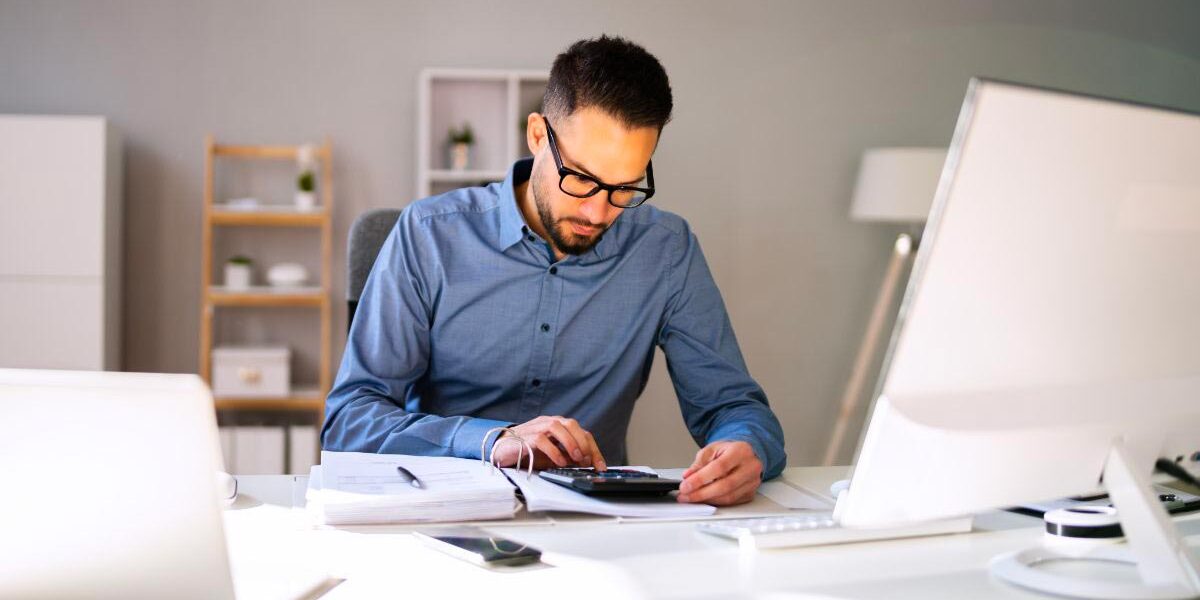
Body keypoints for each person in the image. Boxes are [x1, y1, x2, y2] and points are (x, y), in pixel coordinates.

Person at [323, 35, 785, 506]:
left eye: (625, 188)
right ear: (538, 135)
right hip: (443, 510)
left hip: (598, 518)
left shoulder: (666, 250)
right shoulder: (429, 235)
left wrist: (746, 447)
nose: (599, 212)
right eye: (581, 178)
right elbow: (349, 422)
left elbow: (733, 405)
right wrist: (491, 440)